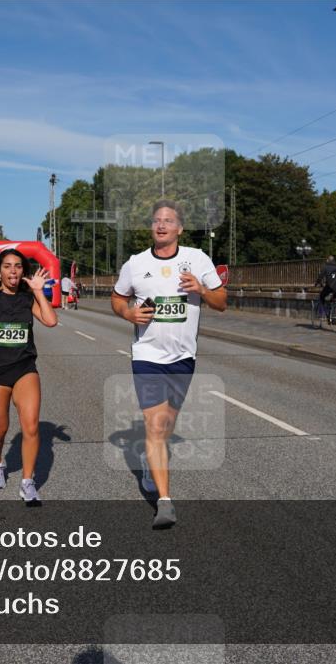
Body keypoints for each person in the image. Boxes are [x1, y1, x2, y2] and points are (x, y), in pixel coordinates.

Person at [111, 200, 227, 528]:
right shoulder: (135, 264)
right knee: (156, 426)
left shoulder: (197, 259)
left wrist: (202, 289)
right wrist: (128, 313)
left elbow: (222, 303)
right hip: (147, 356)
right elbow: (118, 298)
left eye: (168, 221)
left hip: (183, 358)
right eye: (157, 221)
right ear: (151, 227)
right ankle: (165, 502)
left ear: (179, 228)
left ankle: (151, 464)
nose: (161, 225)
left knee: (168, 424)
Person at [0, 249, 57, 503]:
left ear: (23, 270)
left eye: (18, 266)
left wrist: (39, 291)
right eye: (7, 266)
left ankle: (27, 482)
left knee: (31, 426)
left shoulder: (27, 297)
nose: (13, 271)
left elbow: (51, 321)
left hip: (24, 368)